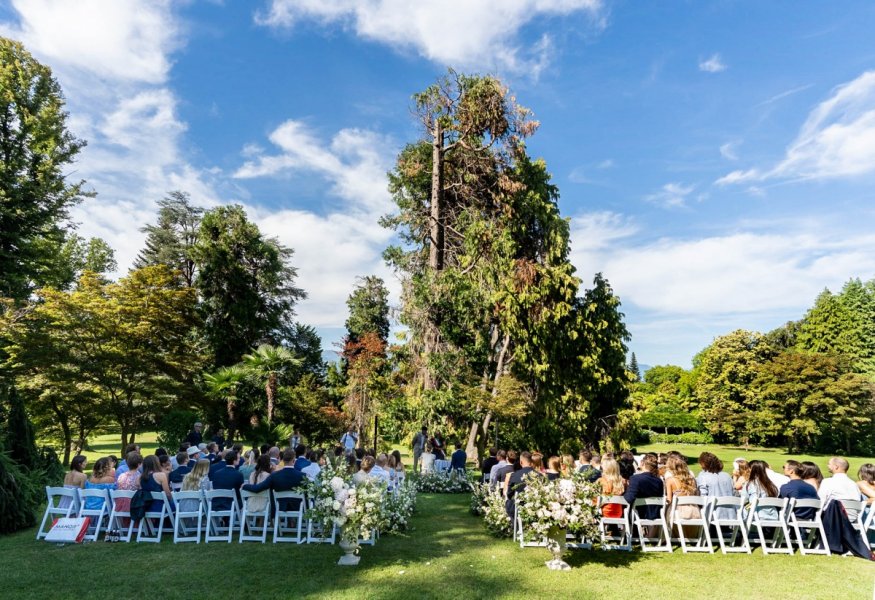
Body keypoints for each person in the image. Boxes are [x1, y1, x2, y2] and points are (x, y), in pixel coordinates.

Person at [242, 449, 306, 511]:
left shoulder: (275, 475)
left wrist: (244, 485)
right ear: (294, 460)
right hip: (298, 507)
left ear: (282, 460)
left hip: (280, 507)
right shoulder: (302, 475)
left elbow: (258, 488)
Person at [665, 455, 701, 536]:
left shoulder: (670, 481)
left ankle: (671, 535)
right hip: (694, 511)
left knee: (666, 509)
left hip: (677, 513)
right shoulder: (692, 479)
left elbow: (669, 500)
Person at [818, 457, 863, 522]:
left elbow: (820, 501)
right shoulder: (854, 484)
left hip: (832, 518)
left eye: (829, 464)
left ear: (836, 467)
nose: (827, 466)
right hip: (852, 519)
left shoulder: (828, 482)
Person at [696, 452, 736, 520]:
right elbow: (734, 493)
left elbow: (702, 498)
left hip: (712, 515)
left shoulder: (703, 476)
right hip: (730, 515)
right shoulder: (727, 476)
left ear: (703, 464)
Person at [624, 454, 664, 521]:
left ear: (642, 463)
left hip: (638, 515)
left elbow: (629, 498)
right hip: (655, 515)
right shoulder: (659, 481)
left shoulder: (635, 479)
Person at [505, 451, 540, 517]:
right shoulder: (539, 475)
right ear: (531, 461)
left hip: (519, 506)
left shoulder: (514, 475)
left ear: (521, 462)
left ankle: (515, 525)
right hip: (536, 507)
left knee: (509, 503)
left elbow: (509, 494)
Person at [179, 459, 212, 524]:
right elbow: (206, 495)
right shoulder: (204, 479)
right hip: (198, 506)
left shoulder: (187, 476)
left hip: (183, 505)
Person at [115, 452, 144, 517]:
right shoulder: (139, 477)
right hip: (134, 506)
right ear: (139, 464)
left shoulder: (121, 476)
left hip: (121, 506)